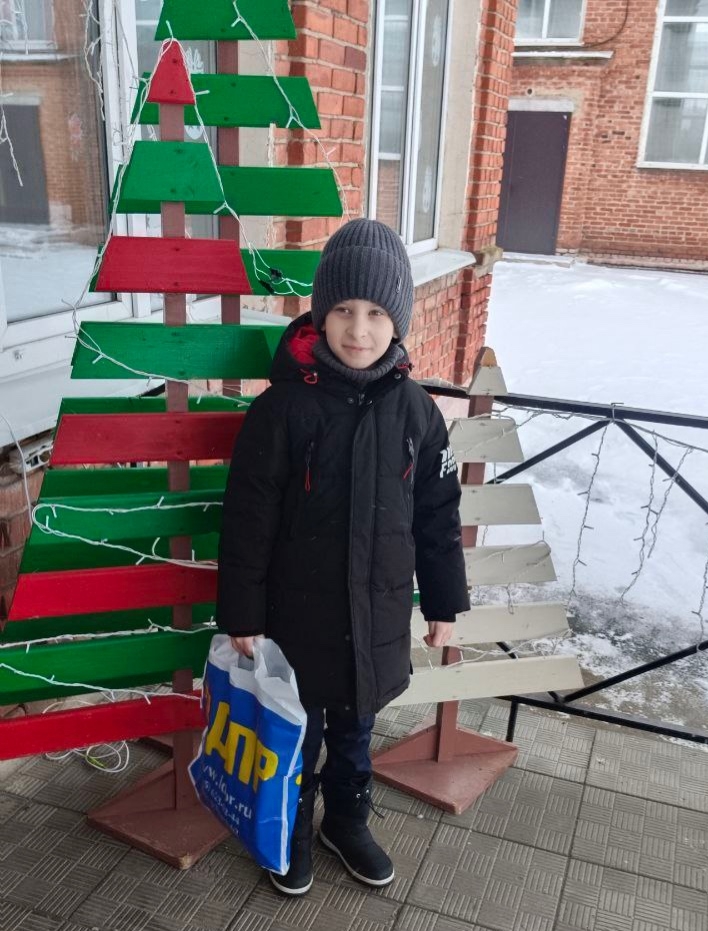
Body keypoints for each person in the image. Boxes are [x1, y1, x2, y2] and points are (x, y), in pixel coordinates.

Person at [216, 218, 470, 896]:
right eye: (345, 311)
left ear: (398, 322)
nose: (359, 329)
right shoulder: (282, 411)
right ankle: (291, 829)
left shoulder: (416, 413)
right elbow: (247, 521)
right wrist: (242, 613)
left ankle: (347, 821)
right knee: (295, 734)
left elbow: (438, 514)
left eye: (377, 313)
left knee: (357, 733)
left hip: (376, 619)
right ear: (321, 315)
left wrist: (444, 600)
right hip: (295, 621)